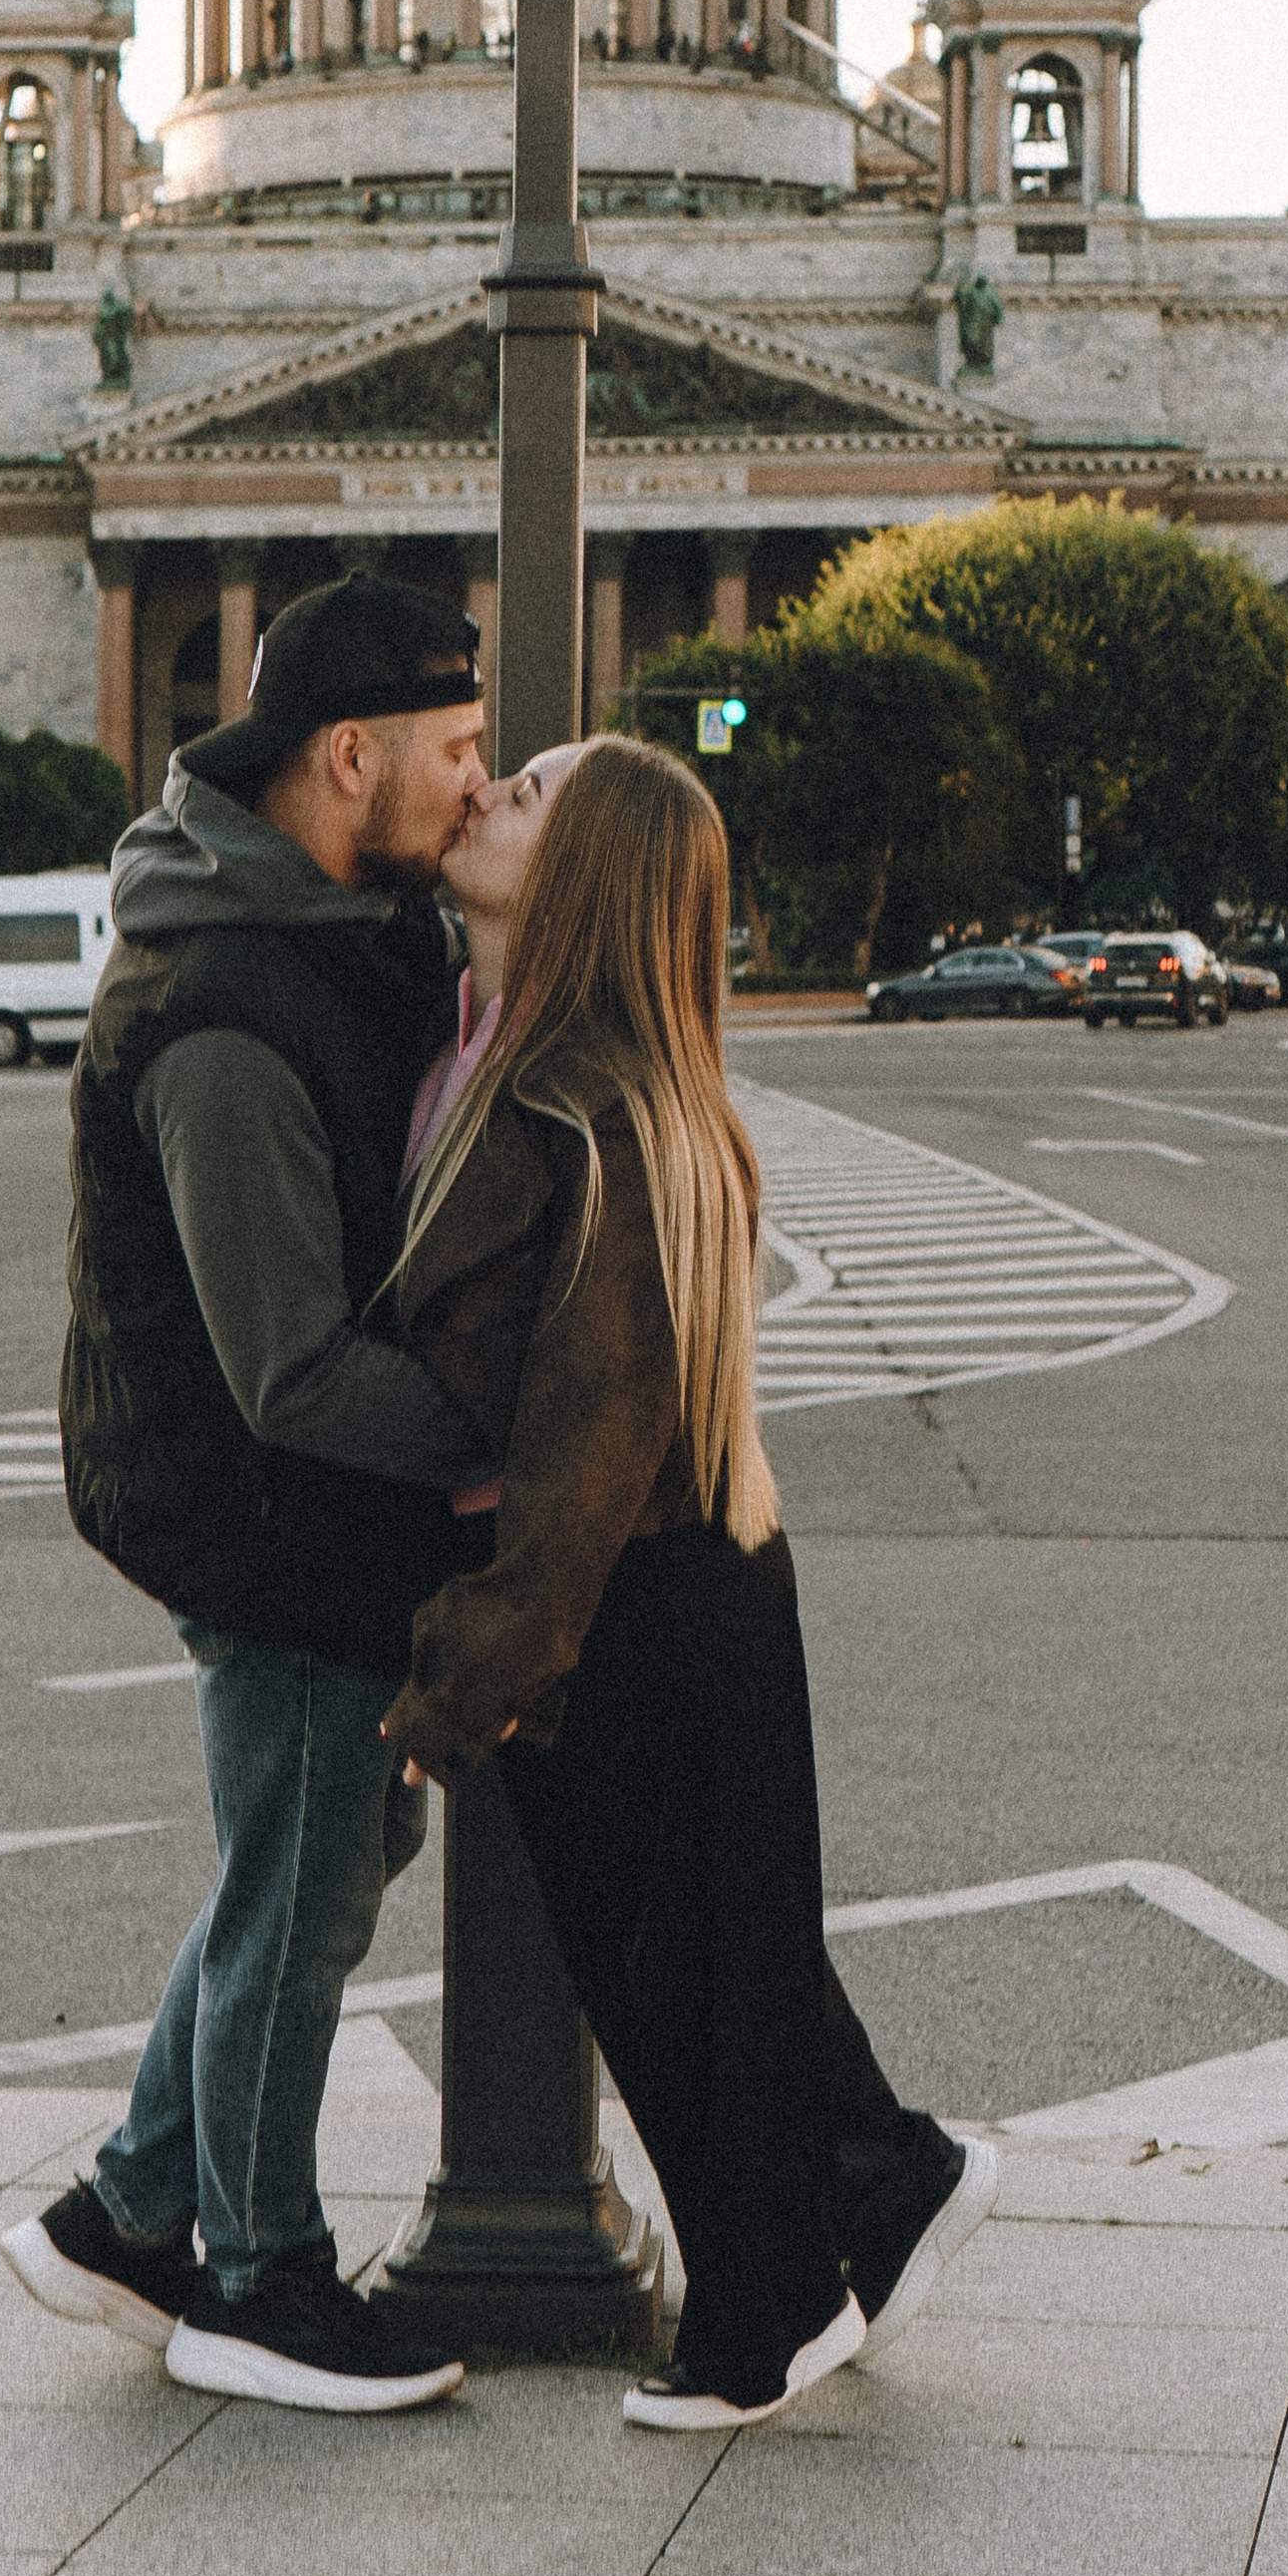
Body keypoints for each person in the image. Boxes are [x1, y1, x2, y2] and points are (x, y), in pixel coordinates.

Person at [382, 737, 996, 2428]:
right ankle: (857, 2214)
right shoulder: (502, 1061)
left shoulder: (594, 1111)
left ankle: (781, 2299)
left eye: (530, 795)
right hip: (643, 1584)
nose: (490, 793)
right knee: (708, 1959)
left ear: (589, 873)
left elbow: (583, 1442)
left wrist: (466, 1672)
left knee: (684, 1973)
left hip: (637, 1582)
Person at [9, 572, 495, 2417]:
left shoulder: (326, 928)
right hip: (262, 1511)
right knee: (302, 1886)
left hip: (291, 1500)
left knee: (319, 1854)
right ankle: (257, 2273)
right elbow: (287, 1370)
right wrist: (497, 1439)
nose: (477, 785)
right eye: (453, 757)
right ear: (347, 757)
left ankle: (133, 2208)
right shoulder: (223, 1006)